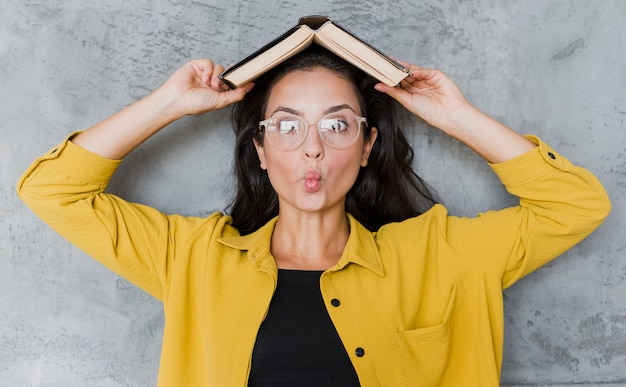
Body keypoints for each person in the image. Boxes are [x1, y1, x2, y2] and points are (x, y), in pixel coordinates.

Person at [17, 44, 610, 386]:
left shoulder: (443, 256)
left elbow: (577, 205)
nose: (311, 148)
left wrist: (453, 116)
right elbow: (53, 191)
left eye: (336, 124)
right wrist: (171, 102)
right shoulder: (191, 258)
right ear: (260, 148)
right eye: (287, 126)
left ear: (368, 145)